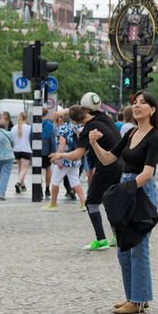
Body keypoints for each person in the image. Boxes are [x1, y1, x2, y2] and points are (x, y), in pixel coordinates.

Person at [88, 91, 158, 314]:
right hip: (127, 186)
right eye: (135, 103)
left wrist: (126, 190)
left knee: (139, 246)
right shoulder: (131, 133)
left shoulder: (154, 136)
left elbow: (148, 172)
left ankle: (138, 300)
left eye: (142, 103)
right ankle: (134, 296)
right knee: (123, 247)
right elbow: (109, 158)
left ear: (153, 109)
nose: (137, 106)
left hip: (141, 191)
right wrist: (93, 143)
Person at [53, 105, 123, 251]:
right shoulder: (103, 117)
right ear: (86, 111)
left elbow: (77, 155)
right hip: (120, 163)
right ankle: (118, 236)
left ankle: (101, 239)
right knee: (109, 200)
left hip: (106, 167)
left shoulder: (88, 130)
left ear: (77, 122)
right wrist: (65, 111)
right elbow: (84, 109)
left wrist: (61, 155)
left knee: (91, 202)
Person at [44, 112, 86, 211]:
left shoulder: (63, 128)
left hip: (64, 160)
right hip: (75, 158)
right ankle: (83, 203)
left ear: (61, 119)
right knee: (75, 182)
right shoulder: (75, 127)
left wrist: (57, 157)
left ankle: (53, 204)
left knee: (55, 181)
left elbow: (62, 145)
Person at [0, 114, 16, 199]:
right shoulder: (10, 134)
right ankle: (1, 193)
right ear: (6, 125)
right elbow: (13, 144)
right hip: (8, 157)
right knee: (5, 175)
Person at [13, 112, 33, 194]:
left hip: (16, 150)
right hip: (26, 149)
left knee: (20, 168)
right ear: (26, 118)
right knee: (24, 169)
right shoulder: (29, 128)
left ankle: (22, 184)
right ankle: (18, 183)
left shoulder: (14, 127)